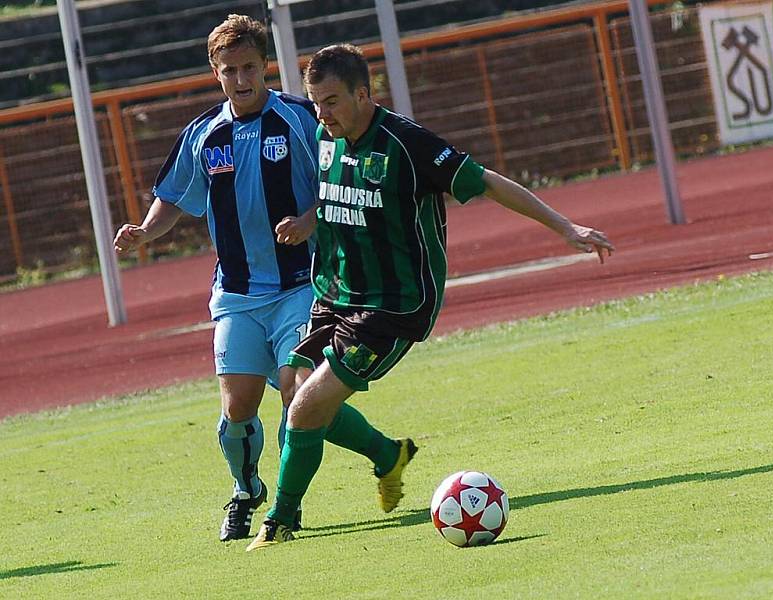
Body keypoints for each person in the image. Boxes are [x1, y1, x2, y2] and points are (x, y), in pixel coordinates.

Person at [246, 43, 615, 550]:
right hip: (332, 294)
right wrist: (310, 219)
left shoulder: (408, 145)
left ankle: (280, 520)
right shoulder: (325, 134)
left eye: (330, 101)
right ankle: (387, 455)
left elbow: (487, 183)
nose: (321, 113)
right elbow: (338, 193)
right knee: (295, 396)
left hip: (392, 306)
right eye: (315, 102)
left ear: (363, 93)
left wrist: (565, 226)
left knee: (305, 409)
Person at [113, 14, 320, 542]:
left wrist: (308, 221)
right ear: (215, 71)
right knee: (237, 406)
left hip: (301, 284)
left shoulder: (300, 118)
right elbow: (172, 198)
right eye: (230, 70)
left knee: (297, 393)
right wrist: (144, 232)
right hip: (236, 292)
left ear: (265, 65)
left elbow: (339, 177)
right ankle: (247, 489)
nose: (242, 78)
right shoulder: (204, 134)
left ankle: (288, 507)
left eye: (250, 67)